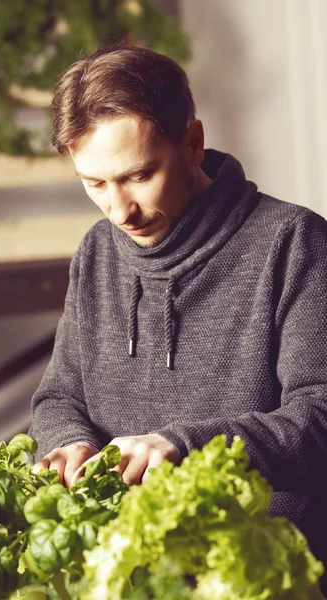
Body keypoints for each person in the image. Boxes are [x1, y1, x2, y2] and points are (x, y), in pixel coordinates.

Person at [28, 45, 327, 582]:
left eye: (139, 175)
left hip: (256, 572)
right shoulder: (97, 252)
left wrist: (184, 446)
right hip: (122, 570)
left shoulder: (295, 242)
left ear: (192, 143)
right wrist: (68, 442)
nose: (120, 211)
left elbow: (322, 416)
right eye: (95, 183)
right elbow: (59, 396)